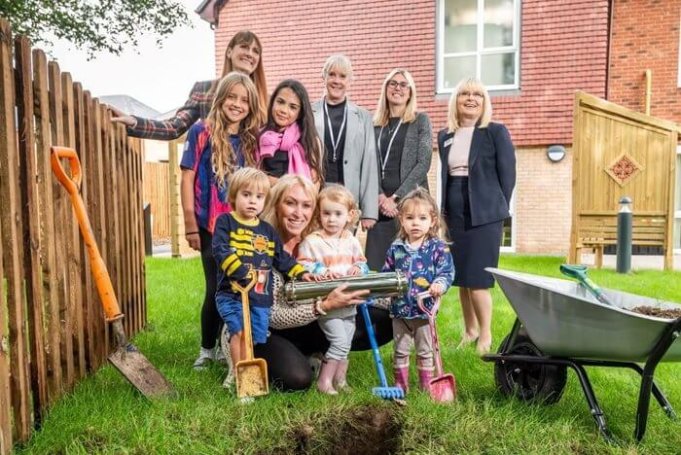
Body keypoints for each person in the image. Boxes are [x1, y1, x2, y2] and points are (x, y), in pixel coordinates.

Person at [221, 175, 393, 391]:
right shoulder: (261, 244)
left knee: (386, 318)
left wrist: (396, 297)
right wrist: (324, 306)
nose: (298, 213)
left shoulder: (317, 242)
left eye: (306, 205)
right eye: (290, 203)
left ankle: (314, 353)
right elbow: (273, 316)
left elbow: (353, 273)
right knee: (298, 379)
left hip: (305, 321)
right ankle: (243, 364)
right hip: (263, 329)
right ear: (275, 205)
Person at [180, 72, 260, 369]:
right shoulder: (202, 131)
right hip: (210, 224)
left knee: (238, 285)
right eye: (232, 97)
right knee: (215, 285)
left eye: (244, 99)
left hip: (242, 226)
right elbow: (187, 177)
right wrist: (190, 223)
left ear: (250, 105)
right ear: (220, 97)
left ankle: (236, 349)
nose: (237, 104)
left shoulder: (251, 140)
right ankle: (206, 348)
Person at [438, 77, 516, 355]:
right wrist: (444, 214)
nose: (471, 99)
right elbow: (446, 178)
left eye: (477, 95)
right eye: (464, 94)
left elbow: (508, 176)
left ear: (484, 103)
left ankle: (485, 334)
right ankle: (469, 330)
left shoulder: (495, 132)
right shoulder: (445, 135)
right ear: (455, 101)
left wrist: (495, 207)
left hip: (484, 213)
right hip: (455, 210)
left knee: (479, 278)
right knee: (462, 276)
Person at [212, 168, 310, 370]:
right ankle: (239, 373)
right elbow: (221, 250)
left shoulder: (267, 231)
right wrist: (240, 272)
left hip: (259, 296)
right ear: (233, 196)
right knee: (239, 331)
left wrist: (301, 272)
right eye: (246, 195)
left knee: (256, 335)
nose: (252, 201)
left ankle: (249, 365)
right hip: (233, 293)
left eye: (259, 197)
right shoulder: (226, 222)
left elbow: (281, 258)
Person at [111, 30, 267, 139]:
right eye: (244, 47)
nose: (250, 54)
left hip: (251, 180)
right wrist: (134, 122)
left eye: (256, 51)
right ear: (229, 52)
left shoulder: (266, 101)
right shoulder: (204, 90)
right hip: (208, 175)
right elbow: (175, 127)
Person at [297, 185, 369, 394]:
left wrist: (358, 267)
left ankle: (340, 380)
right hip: (328, 303)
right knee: (338, 341)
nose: (331, 219)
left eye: (338, 214)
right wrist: (320, 270)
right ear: (319, 214)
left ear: (349, 215)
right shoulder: (313, 241)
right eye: (326, 213)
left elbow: (362, 262)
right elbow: (302, 264)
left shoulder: (351, 240)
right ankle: (324, 382)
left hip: (350, 303)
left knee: (346, 342)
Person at [382, 188, 454, 393]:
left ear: (432, 221)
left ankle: (426, 387)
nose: (415, 223)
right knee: (401, 350)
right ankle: (400, 386)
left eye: (422, 218)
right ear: (401, 220)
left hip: (425, 312)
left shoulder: (437, 248)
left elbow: (446, 271)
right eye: (410, 218)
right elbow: (387, 273)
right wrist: (386, 289)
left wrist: (440, 283)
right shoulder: (396, 248)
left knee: (425, 351)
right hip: (400, 311)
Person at [366, 68, 433, 271]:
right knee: (377, 269)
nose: (398, 88)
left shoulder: (420, 121)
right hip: (379, 208)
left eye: (404, 84)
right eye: (392, 83)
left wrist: (395, 198)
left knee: (410, 268)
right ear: (385, 89)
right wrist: (379, 196)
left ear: (410, 92)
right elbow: (369, 163)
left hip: (409, 205)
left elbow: (423, 162)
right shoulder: (374, 124)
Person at [311, 54, 379, 229]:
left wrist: (369, 211)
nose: (336, 81)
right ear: (323, 77)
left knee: (344, 253)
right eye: (332, 74)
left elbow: (369, 163)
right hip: (315, 194)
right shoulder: (309, 113)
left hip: (348, 197)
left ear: (350, 81)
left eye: (342, 76)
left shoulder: (363, 117)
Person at [257, 80, 324, 186]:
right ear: (273, 102)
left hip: (299, 200)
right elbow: (252, 177)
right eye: (280, 102)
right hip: (267, 200)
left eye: (292, 107)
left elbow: (315, 184)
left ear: (300, 113)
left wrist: (276, 182)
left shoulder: (309, 140)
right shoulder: (261, 137)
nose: (284, 110)